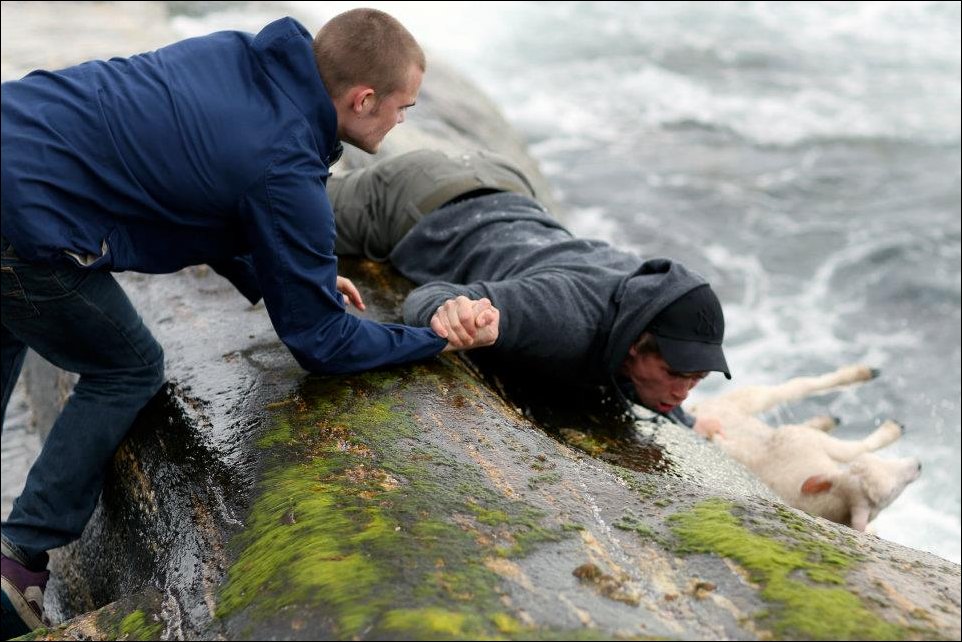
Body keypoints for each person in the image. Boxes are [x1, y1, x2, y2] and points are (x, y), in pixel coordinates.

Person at [0, 11, 496, 638]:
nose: (403, 121)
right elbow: (322, 341)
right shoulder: (286, 166)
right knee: (127, 367)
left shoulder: (238, 53)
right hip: (20, 219)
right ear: (362, 99)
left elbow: (195, 182)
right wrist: (436, 338)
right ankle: (19, 561)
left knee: (12, 320)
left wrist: (283, 272)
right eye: (404, 107)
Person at [327, 149, 732, 430]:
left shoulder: (641, 301)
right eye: (675, 373)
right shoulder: (560, 314)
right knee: (273, 210)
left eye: (695, 379)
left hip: (509, 185)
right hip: (416, 200)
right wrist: (452, 313)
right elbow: (428, 295)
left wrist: (688, 422)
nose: (680, 392)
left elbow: (647, 373)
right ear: (635, 344)